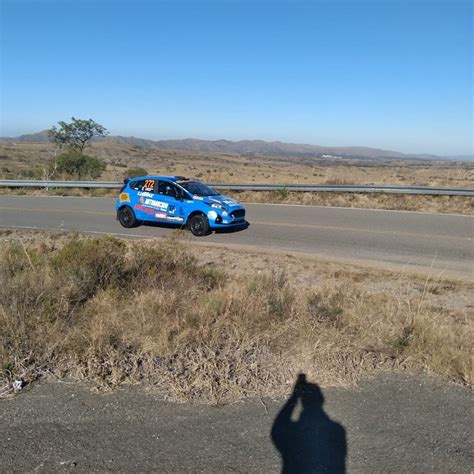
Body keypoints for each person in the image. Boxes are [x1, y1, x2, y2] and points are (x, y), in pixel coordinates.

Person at [271, 373, 347, 473]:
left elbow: (277, 429)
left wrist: (294, 397)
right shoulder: (337, 430)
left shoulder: (336, 429)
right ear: (322, 400)